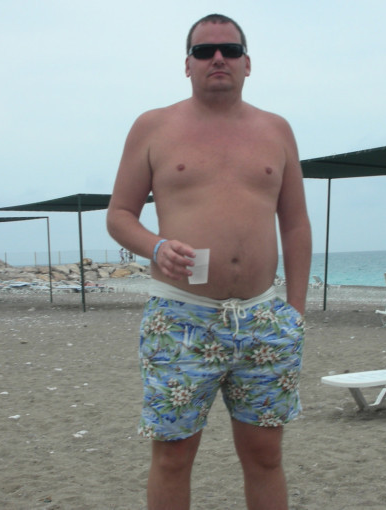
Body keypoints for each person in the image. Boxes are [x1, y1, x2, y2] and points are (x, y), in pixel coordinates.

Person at [106, 13, 311, 510]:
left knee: (265, 456)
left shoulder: (276, 129)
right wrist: (156, 246)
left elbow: (295, 224)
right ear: (187, 65)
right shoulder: (153, 126)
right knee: (173, 457)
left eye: (229, 50)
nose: (217, 58)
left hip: (264, 319)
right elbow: (119, 215)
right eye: (204, 51)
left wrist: (296, 311)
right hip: (180, 317)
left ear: (247, 63)